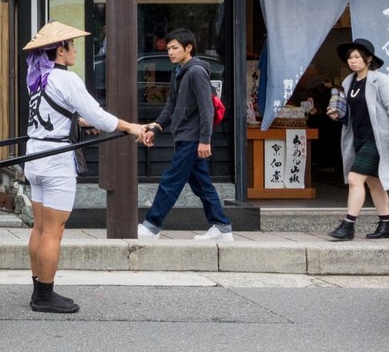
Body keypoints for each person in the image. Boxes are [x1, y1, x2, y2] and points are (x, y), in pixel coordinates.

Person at [23, 22, 145, 313]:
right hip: (56, 161)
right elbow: (99, 116)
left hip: (35, 155)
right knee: (54, 230)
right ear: (61, 50)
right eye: (72, 45)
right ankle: (44, 296)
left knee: (40, 227)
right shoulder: (67, 79)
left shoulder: (38, 78)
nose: (75, 50)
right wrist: (131, 127)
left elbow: (55, 114)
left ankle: (38, 287)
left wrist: (79, 123)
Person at [138, 28, 234, 242]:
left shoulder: (196, 72)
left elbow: (207, 108)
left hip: (192, 138)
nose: (170, 52)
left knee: (170, 181)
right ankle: (222, 227)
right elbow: (171, 106)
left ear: (188, 48)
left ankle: (152, 225)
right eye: (169, 48)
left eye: (175, 48)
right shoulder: (179, 71)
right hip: (184, 136)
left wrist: (204, 140)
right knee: (202, 185)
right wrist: (156, 128)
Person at [325, 38, 389, 240]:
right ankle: (387, 224)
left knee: (355, 179)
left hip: (377, 139)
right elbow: (351, 114)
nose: (352, 61)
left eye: (356, 57)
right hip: (359, 138)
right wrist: (338, 114)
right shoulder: (349, 82)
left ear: (368, 59)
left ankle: (348, 225)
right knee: (373, 182)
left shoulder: (381, 81)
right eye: (349, 57)